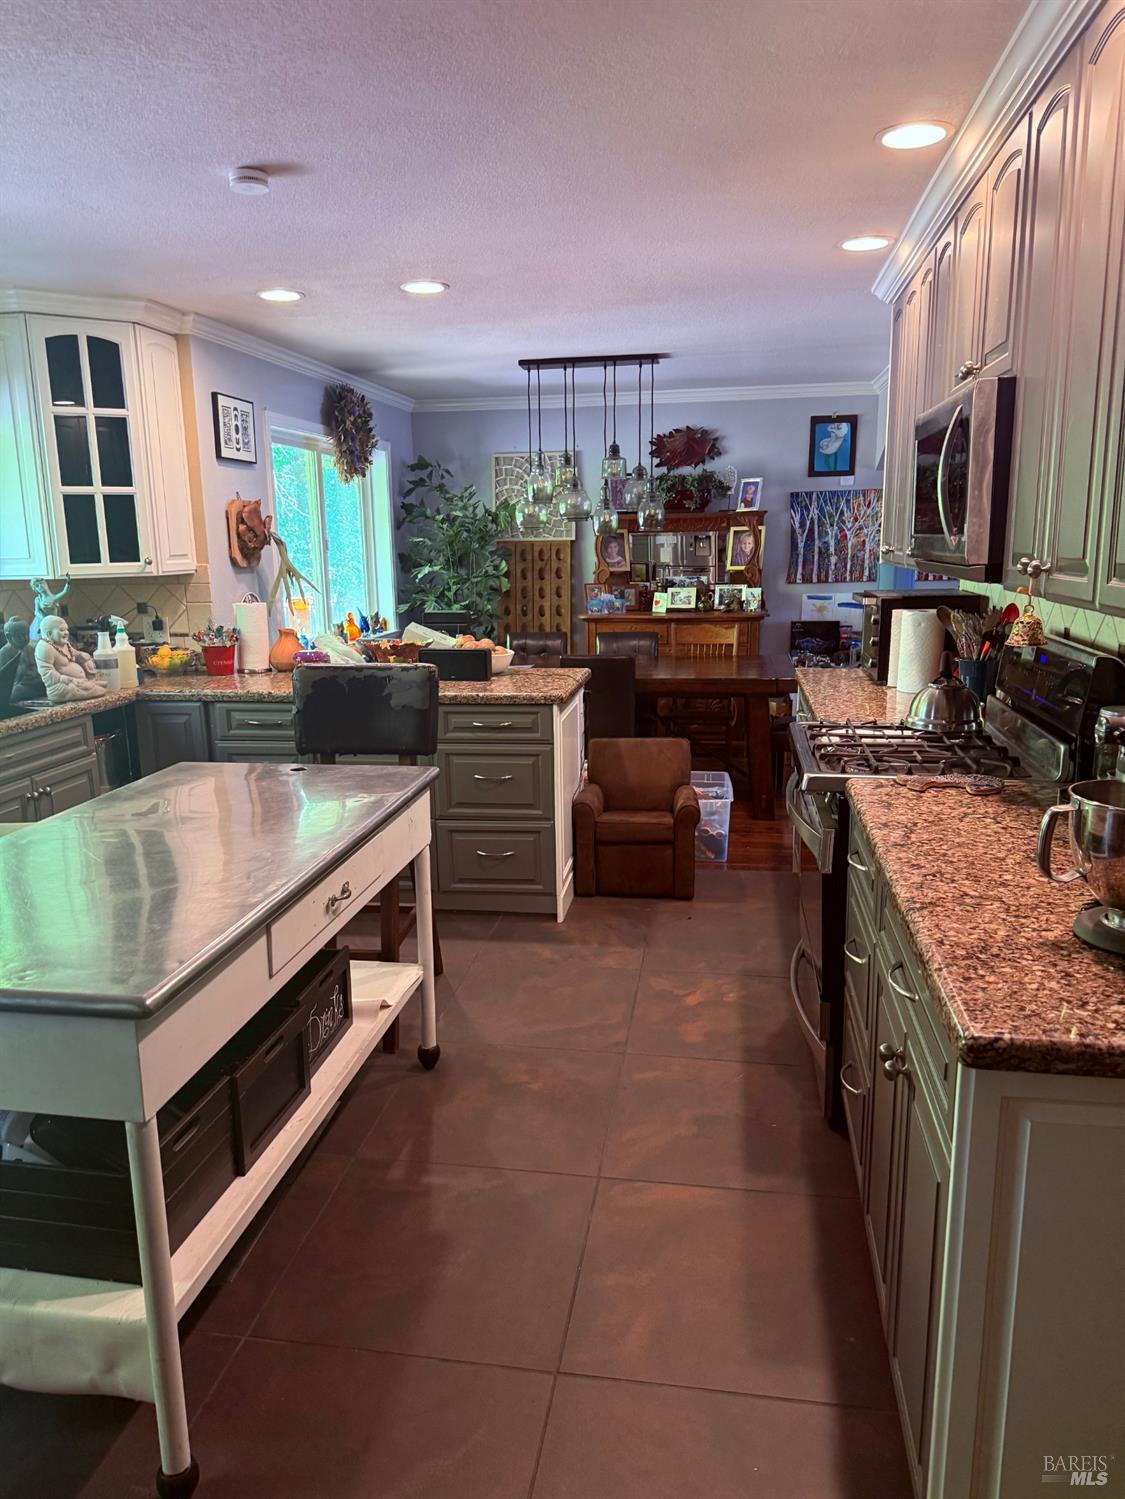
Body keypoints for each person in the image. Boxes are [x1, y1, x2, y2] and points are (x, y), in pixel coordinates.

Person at [34, 615, 106, 704]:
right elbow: (46, 671)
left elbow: (73, 653)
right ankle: (89, 686)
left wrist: (81, 655)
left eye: (66, 629)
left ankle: (90, 684)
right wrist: (61, 678)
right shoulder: (45, 647)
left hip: (76, 681)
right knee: (93, 689)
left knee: (87, 661)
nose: (66, 633)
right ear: (49, 634)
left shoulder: (64, 644)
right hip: (61, 685)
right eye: (61, 630)